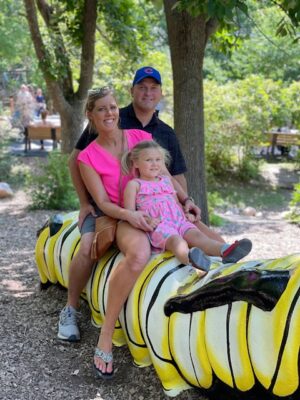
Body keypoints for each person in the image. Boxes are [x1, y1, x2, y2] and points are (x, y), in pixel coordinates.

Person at [58, 67, 222, 344]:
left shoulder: (138, 137)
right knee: (87, 246)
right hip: (112, 210)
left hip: (157, 206)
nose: (109, 113)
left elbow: (166, 175)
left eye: (112, 108)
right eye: (102, 109)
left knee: (208, 235)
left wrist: (186, 200)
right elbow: (85, 177)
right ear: (91, 114)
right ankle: (71, 308)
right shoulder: (90, 149)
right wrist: (86, 203)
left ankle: (232, 278)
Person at [122, 140, 252, 271]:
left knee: (198, 236)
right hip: (159, 226)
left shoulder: (166, 181)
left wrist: (186, 214)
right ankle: (190, 258)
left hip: (179, 221)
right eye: (149, 160)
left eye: (158, 160)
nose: (155, 164)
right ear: (136, 163)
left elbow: (174, 203)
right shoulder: (135, 185)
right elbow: (131, 214)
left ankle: (226, 251)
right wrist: (148, 220)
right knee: (177, 242)